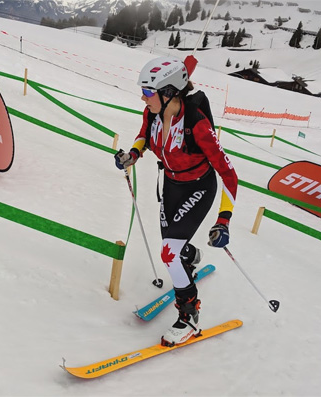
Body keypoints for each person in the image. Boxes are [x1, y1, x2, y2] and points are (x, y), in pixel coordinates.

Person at [114, 57, 238, 346]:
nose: (143, 97)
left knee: (168, 253)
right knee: (171, 248)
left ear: (169, 92)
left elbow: (229, 174)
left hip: (199, 187)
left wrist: (224, 220)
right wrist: (133, 154)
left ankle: (189, 314)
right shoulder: (152, 113)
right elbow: (143, 136)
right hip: (171, 186)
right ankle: (190, 257)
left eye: (148, 92)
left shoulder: (197, 125)